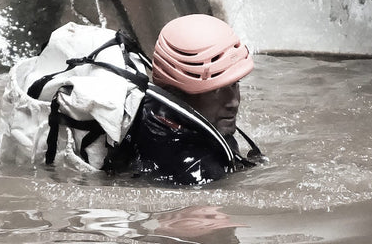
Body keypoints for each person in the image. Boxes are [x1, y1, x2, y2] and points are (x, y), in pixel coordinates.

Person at [103, 14, 263, 185]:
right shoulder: (197, 171)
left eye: (234, 84)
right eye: (216, 90)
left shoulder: (152, 109)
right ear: (176, 91)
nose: (234, 102)